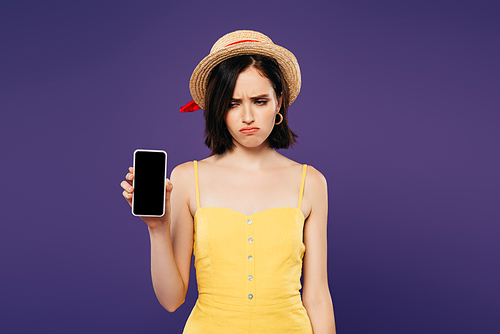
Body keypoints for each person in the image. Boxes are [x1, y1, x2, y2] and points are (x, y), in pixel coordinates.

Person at [120, 30, 336, 333]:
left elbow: (316, 297)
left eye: (260, 101)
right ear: (218, 109)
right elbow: (172, 300)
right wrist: (157, 228)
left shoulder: (310, 182)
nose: (247, 116)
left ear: (279, 103)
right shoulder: (186, 178)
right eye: (233, 103)